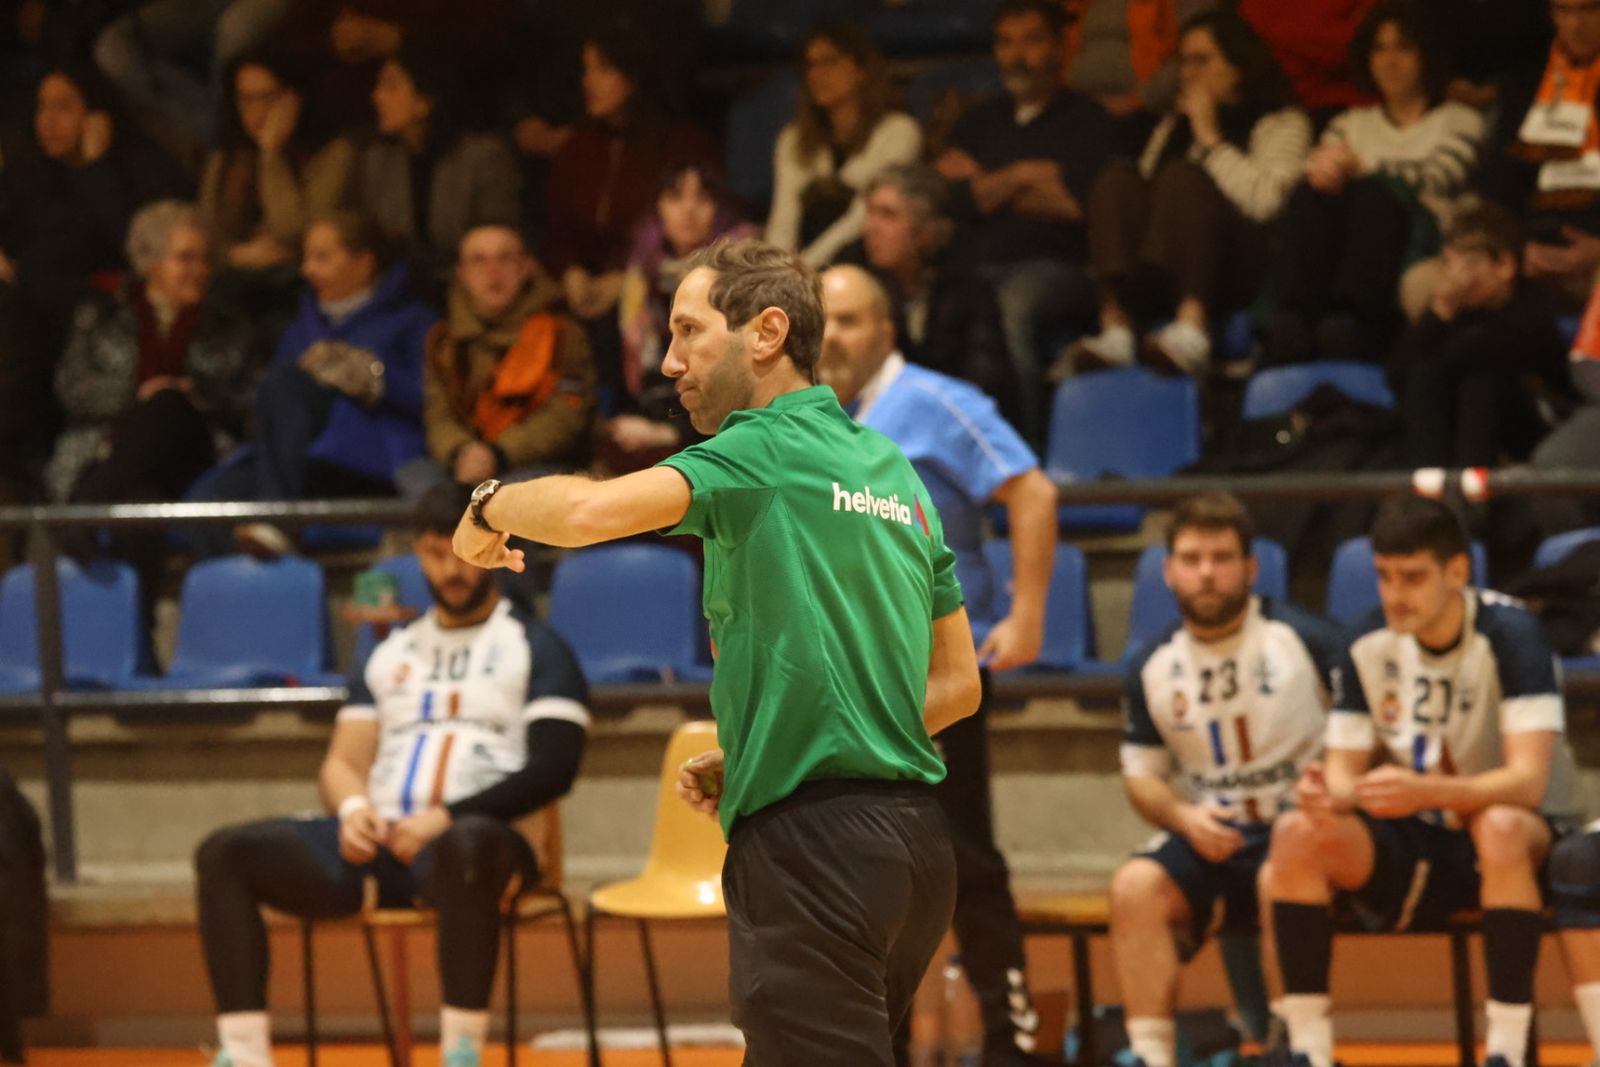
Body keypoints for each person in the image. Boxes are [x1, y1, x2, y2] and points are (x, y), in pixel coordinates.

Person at [452, 237, 980, 1064]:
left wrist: (487, 504)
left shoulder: (759, 448)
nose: (669, 362)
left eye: (688, 331)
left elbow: (587, 515)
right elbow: (957, 684)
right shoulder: (892, 471)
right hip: (913, 853)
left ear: (767, 332)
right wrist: (784, 740)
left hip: (814, 853)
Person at [195, 482, 590, 1067]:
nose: (450, 570)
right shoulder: (391, 652)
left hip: (480, 848)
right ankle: (244, 1055)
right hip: (385, 845)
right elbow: (342, 763)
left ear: (491, 547)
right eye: (433, 554)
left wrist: (444, 818)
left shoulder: (537, 646)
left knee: (467, 844)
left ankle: (460, 1053)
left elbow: (555, 769)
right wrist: (354, 811)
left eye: (461, 552)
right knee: (225, 853)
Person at [818, 264, 1057, 1066]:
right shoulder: (818, 422)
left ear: (887, 330)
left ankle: (1010, 1041)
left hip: (940, 675)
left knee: (960, 857)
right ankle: (876, 1046)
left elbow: (1032, 491)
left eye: (850, 320)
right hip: (855, 679)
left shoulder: (936, 400)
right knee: (865, 867)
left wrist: (1025, 614)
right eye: (824, 320)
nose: (833, 336)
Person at [1263, 495, 1584, 1067]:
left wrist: (1426, 791)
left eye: (1412, 577)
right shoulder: (1365, 642)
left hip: (1530, 837)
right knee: (1296, 832)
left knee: (1500, 826)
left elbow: (1528, 782)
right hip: (1423, 833)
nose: (1395, 594)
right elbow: (1343, 769)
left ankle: (1506, 1051)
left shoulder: (1513, 633)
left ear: (1456, 571)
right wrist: (1331, 792)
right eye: (1384, 576)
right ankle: (1308, 1050)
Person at [1110, 492, 1350, 1067]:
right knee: (1135, 887)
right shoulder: (1151, 665)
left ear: (1251, 567)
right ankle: (1150, 1055)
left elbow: (1368, 740)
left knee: (1283, 866)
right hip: (1213, 837)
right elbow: (1143, 779)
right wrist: (1182, 817)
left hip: (1302, 835)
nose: (1206, 573)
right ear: (1169, 571)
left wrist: (1334, 790)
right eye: (1191, 559)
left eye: (1221, 558)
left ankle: (1299, 1051)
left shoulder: (1309, 640)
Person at [1064, 9, 1310, 378]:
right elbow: (1145, 198)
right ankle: (1116, 328)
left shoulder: (1280, 121)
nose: (1188, 73)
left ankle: (1192, 328)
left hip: (1238, 266)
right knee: (1117, 180)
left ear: (1238, 66)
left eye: (1202, 60)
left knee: (1182, 177)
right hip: (1164, 265)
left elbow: (1266, 203)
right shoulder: (1173, 126)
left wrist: (1210, 140)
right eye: (1184, 62)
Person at [200, 210, 437, 556]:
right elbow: (271, 403)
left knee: (286, 382)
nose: (307, 270)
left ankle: (277, 522)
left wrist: (373, 376)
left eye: (322, 257)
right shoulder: (302, 324)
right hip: (295, 459)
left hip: (367, 458)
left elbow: (434, 404)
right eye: (306, 258)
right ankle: (260, 576)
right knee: (208, 503)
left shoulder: (415, 321)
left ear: (364, 263)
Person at [46, 202, 256, 591]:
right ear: (151, 263)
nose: (200, 270)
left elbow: (248, 395)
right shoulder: (102, 315)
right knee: (136, 511)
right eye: (186, 258)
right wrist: (134, 395)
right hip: (109, 451)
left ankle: (82, 511)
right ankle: (140, 627)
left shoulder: (227, 324)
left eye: (204, 260)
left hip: (195, 453)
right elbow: (71, 389)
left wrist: (192, 392)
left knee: (168, 403)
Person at [1268, 0, 1485, 367]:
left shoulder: (1460, 121)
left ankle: (1353, 320)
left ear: (1427, 54)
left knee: (1372, 195)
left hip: (1420, 242)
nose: (1389, 60)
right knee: (1310, 193)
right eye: (1379, 49)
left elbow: (1436, 179)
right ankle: (1294, 320)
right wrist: (1322, 170)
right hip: (1341, 250)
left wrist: (1361, 169)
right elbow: (1320, 173)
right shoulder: (1349, 123)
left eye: (1403, 48)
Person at [936, 0, 1115, 441]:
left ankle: (1021, 450)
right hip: (972, 265)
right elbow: (952, 197)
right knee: (931, 303)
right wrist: (1022, 175)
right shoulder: (977, 121)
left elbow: (1074, 205)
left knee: (1011, 305)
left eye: (1032, 41)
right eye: (1006, 42)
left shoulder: (1089, 120)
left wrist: (986, 182)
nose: (1017, 55)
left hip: (1057, 268)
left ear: (1059, 47)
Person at [407, 223, 595, 496]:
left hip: (534, 462)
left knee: (517, 494)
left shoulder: (562, 333)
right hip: (465, 463)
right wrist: (461, 451)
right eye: (478, 260)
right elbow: (438, 416)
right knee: (418, 480)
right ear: (462, 273)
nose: (492, 272)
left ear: (526, 267)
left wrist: (498, 454)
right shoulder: (443, 341)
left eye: (505, 259)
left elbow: (565, 417)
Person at [1390, 204, 1573, 471]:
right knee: (1424, 374)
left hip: (1536, 424)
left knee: (1479, 382)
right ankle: (1429, 483)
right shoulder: (1454, 313)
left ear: (1505, 266)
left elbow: (1478, 354)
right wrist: (1438, 313)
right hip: (1458, 433)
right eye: (1449, 263)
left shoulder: (1532, 308)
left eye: (1469, 263)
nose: (1456, 276)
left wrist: (1440, 321)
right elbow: (1397, 376)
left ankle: (1474, 489)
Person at [608, 157, 755, 473]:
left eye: (703, 198)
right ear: (657, 208)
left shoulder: (743, 280)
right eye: (675, 197)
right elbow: (624, 382)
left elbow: (744, 392)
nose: (689, 210)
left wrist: (668, 433)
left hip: (720, 444)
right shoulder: (640, 280)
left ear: (721, 208)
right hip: (644, 429)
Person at [847, 164, 1019, 428]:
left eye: (888, 215)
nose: (871, 227)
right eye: (870, 213)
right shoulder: (855, 276)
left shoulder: (968, 288)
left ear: (926, 230)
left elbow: (987, 385)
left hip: (952, 424)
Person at [344, 43, 522, 283]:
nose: (377, 96)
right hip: (400, 288)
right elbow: (372, 240)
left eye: (391, 86)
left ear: (424, 102)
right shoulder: (378, 160)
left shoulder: (482, 158)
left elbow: (497, 242)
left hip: (472, 286)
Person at [765, 20, 922, 268]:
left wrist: (803, 270)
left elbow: (861, 218)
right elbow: (784, 218)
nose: (817, 74)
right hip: (800, 266)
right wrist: (774, 272)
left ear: (861, 69)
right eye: (810, 65)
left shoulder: (900, 132)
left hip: (865, 261)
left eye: (829, 62)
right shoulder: (792, 140)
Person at [1478, 0, 1600, 311]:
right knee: (1469, 275)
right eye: (1564, 11)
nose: (1576, 25)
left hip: (1596, 248)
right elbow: (1499, 186)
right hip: (1531, 245)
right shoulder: (1524, 89)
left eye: (1589, 9)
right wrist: (1517, 249)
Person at [199, 49, 350, 296]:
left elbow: (296, 235)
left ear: (294, 98)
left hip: (305, 283)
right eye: (246, 99)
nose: (257, 111)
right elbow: (205, 236)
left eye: (268, 98)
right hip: (234, 282)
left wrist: (271, 156)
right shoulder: (227, 157)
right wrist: (235, 255)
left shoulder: (333, 153)